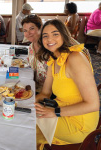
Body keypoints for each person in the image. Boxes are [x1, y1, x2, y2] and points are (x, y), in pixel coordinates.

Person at [35, 19, 99, 150]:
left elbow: (94, 104)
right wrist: (26, 103)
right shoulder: (54, 59)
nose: (49, 39)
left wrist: (55, 112)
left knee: (28, 127)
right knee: (24, 116)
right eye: (45, 36)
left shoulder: (75, 58)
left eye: (55, 34)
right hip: (61, 111)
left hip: (79, 122)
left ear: (64, 36)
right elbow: (45, 93)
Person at [22, 15, 46, 93]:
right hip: (35, 88)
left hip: (49, 92)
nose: (28, 33)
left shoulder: (48, 48)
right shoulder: (30, 48)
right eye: (25, 30)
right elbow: (34, 70)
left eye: (31, 29)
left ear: (40, 28)